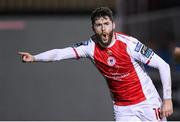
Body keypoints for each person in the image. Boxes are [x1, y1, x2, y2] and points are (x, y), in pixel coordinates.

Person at [18, 7, 173, 121]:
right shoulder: (90, 47)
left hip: (147, 102)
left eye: (106, 23)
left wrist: (167, 99)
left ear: (113, 25)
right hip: (123, 108)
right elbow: (61, 53)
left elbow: (163, 65)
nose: (103, 28)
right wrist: (35, 58)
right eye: (99, 25)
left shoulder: (130, 44)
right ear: (93, 28)